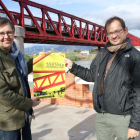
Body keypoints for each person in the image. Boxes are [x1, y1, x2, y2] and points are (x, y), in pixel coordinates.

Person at [64, 16, 140, 140]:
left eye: (117, 31)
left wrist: (135, 125)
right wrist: (73, 67)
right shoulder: (104, 52)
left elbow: (139, 93)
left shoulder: (135, 57)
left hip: (124, 119)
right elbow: (92, 75)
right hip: (102, 116)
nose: (114, 36)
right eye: (110, 33)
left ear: (125, 30)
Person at [0, 17, 40, 140]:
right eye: (1, 33)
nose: (6, 36)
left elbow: (22, 73)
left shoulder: (16, 54)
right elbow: (4, 94)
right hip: (9, 121)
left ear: (13, 33)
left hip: (24, 114)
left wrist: (41, 59)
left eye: (9, 32)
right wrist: (30, 103)